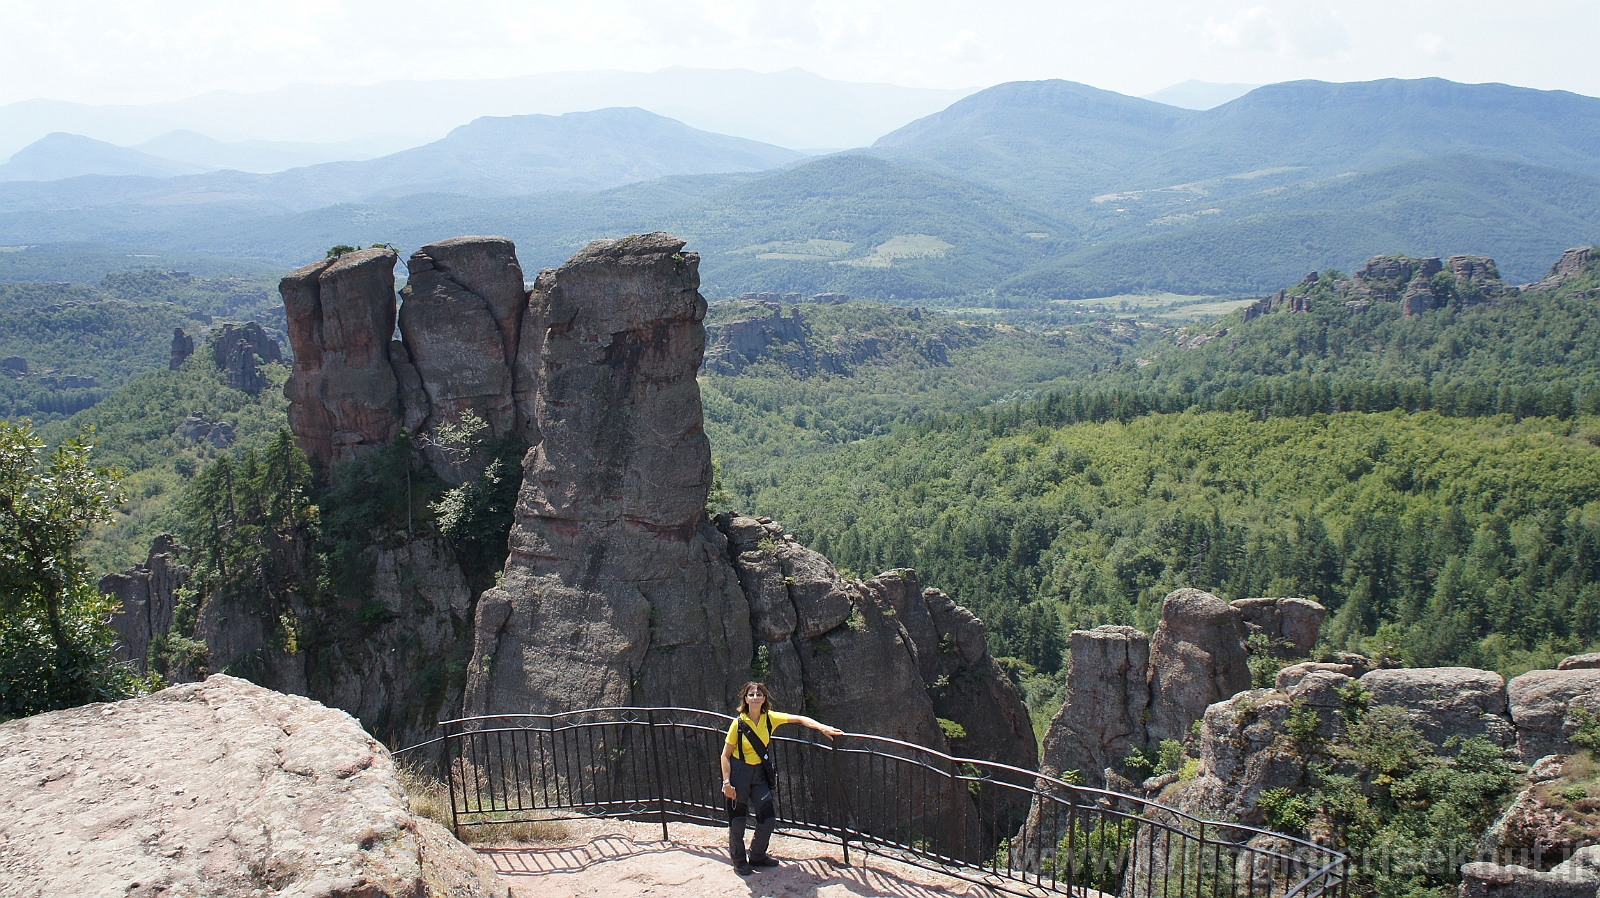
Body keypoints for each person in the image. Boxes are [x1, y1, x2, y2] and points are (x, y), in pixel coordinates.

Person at [719, 681, 843, 875]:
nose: (755, 697)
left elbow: (800, 719)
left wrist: (822, 727)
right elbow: (725, 755)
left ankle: (757, 855)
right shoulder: (739, 723)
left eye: (759, 694)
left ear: (764, 698)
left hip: (758, 774)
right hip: (739, 773)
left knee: (767, 818)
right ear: (745, 698)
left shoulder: (770, 719)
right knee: (738, 820)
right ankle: (739, 861)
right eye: (751, 694)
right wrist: (727, 783)